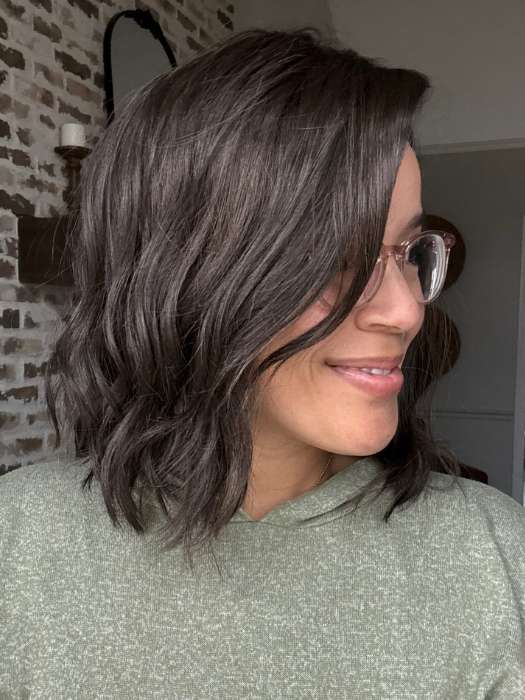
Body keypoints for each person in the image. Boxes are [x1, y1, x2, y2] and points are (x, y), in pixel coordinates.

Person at [1, 28, 524, 699]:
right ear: (183, 274)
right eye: (336, 257)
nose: (405, 311)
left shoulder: (492, 557)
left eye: (408, 253)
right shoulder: (19, 545)